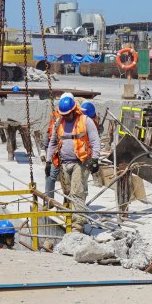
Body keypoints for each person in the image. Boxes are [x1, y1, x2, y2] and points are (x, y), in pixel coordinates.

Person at [46, 94, 101, 232]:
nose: (66, 117)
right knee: (68, 193)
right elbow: (53, 142)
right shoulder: (59, 122)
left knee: (77, 193)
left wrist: (95, 159)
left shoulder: (85, 120)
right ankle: (70, 220)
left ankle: (78, 226)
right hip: (64, 163)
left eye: (68, 114)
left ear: (73, 110)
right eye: (63, 114)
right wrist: (48, 161)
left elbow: (95, 141)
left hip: (80, 162)